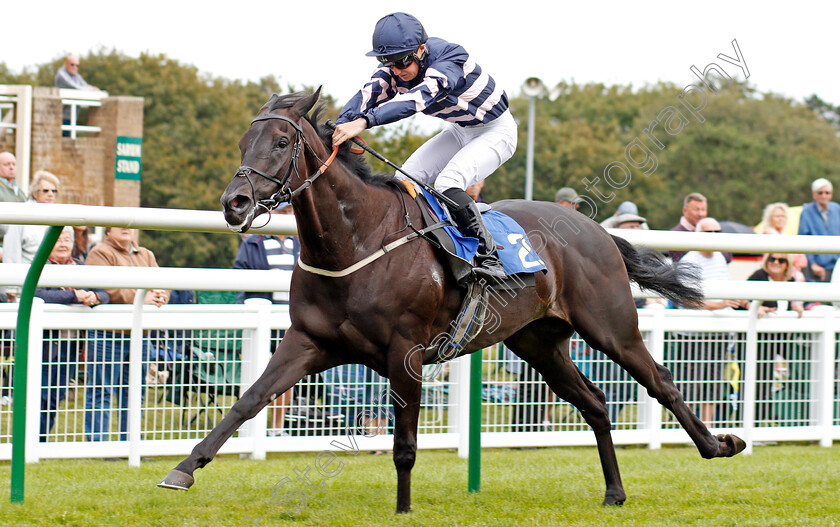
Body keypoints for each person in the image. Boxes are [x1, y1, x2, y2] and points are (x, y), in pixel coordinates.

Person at [332, 12, 517, 281]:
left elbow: (416, 100)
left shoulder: (449, 58)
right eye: (387, 62)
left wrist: (365, 122)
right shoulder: (398, 67)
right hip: (460, 129)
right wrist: (340, 125)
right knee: (404, 180)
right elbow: (368, 94)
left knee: (448, 182)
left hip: (496, 131)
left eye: (401, 61)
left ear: (421, 49)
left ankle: (490, 256)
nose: (395, 69)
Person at [83, 227, 169, 441]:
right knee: (102, 391)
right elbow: (107, 289)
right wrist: (143, 297)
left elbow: (162, 284)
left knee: (134, 393)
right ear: (108, 231)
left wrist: (160, 295)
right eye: (119, 225)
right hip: (108, 334)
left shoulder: (146, 254)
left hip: (140, 334)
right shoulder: (99, 252)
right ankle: (98, 444)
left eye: (129, 224)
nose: (126, 229)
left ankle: (130, 444)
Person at [35, 226, 109, 441]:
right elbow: (39, 293)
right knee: (40, 392)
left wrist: (94, 297)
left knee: (55, 395)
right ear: (47, 245)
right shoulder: (40, 267)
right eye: (58, 240)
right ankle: (32, 440)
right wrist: (74, 296)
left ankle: (41, 440)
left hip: (71, 343)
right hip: (45, 341)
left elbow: (105, 292)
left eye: (67, 239)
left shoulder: (80, 267)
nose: (63, 243)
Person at [233, 203, 299, 436]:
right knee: (257, 373)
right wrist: (264, 279)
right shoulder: (253, 243)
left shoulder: (301, 243)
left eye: (290, 212)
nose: (288, 216)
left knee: (286, 374)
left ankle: (277, 427)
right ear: (271, 214)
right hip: (260, 319)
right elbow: (238, 276)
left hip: (292, 320)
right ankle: (252, 428)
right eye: (283, 212)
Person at [675, 218, 747, 426]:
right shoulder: (690, 259)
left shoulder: (720, 259)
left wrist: (738, 300)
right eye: (709, 232)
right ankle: (687, 429)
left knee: (712, 384)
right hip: (693, 334)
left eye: (717, 231)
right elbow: (687, 301)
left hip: (717, 332)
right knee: (690, 385)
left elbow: (726, 290)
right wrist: (719, 305)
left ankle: (706, 428)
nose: (714, 236)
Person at [746, 253, 807, 424]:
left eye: (781, 260)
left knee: (798, 373)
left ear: (787, 264)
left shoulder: (792, 282)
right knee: (759, 381)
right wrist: (753, 307)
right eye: (772, 259)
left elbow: (797, 303)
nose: (776, 263)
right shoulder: (758, 277)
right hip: (759, 340)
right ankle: (752, 425)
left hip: (782, 339)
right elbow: (740, 299)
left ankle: (785, 421)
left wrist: (798, 307)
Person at [3, 170, 61, 301]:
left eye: (54, 191)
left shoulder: (58, 215)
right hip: (26, 282)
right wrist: (11, 287)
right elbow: (12, 252)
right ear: (35, 193)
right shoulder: (22, 215)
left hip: (52, 283)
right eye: (45, 191)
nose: (51, 194)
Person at [797, 178, 840, 282]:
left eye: (827, 193)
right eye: (820, 193)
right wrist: (812, 263)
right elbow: (803, 238)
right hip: (816, 266)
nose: (823, 196)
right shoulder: (807, 211)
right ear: (814, 194)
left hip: (836, 264)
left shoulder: (836, 208)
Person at [669, 193, 732, 263]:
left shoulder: (712, 230)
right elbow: (684, 264)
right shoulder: (676, 235)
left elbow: (728, 258)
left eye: (703, 210)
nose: (700, 214)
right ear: (685, 211)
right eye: (696, 209)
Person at [759, 202, 807, 278]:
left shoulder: (783, 235)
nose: (781, 219)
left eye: (783, 216)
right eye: (777, 216)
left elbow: (802, 261)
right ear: (770, 218)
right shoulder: (768, 233)